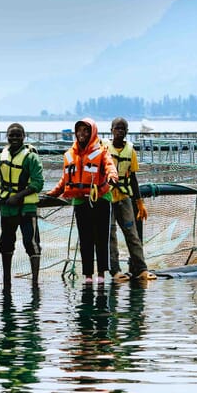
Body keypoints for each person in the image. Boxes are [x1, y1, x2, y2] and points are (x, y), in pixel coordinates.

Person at [47, 118, 120, 284]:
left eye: (86, 130)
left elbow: (110, 167)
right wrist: (53, 193)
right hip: (80, 202)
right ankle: (87, 275)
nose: (82, 133)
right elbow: (65, 179)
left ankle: (101, 274)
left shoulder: (101, 151)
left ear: (92, 132)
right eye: (79, 130)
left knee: (102, 239)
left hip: (100, 199)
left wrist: (112, 177)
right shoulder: (70, 154)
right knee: (85, 239)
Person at [0, 123, 44, 284]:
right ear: (7, 136)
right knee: (6, 243)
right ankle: (6, 279)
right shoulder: (2, 155)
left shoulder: (31, 157)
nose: (14, 138)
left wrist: (19, 196)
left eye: (18, 135)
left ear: (23, 137)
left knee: (31, 242)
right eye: (11, 135)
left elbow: (38, 183)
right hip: (6, 206)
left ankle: (35, 281)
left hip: (27, 207)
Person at [106, 117, 154, 281]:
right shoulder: (104, 148)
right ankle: (115, 271)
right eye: (117, 128)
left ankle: (140, 268)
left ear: (127, 132)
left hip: (124, 197)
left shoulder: (130, 151)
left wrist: (139, 202)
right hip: (108, 197)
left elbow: (133, 178)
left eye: (123, 129)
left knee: (131, 232)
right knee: (110, 234)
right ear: (111, 130)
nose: (120, 131)